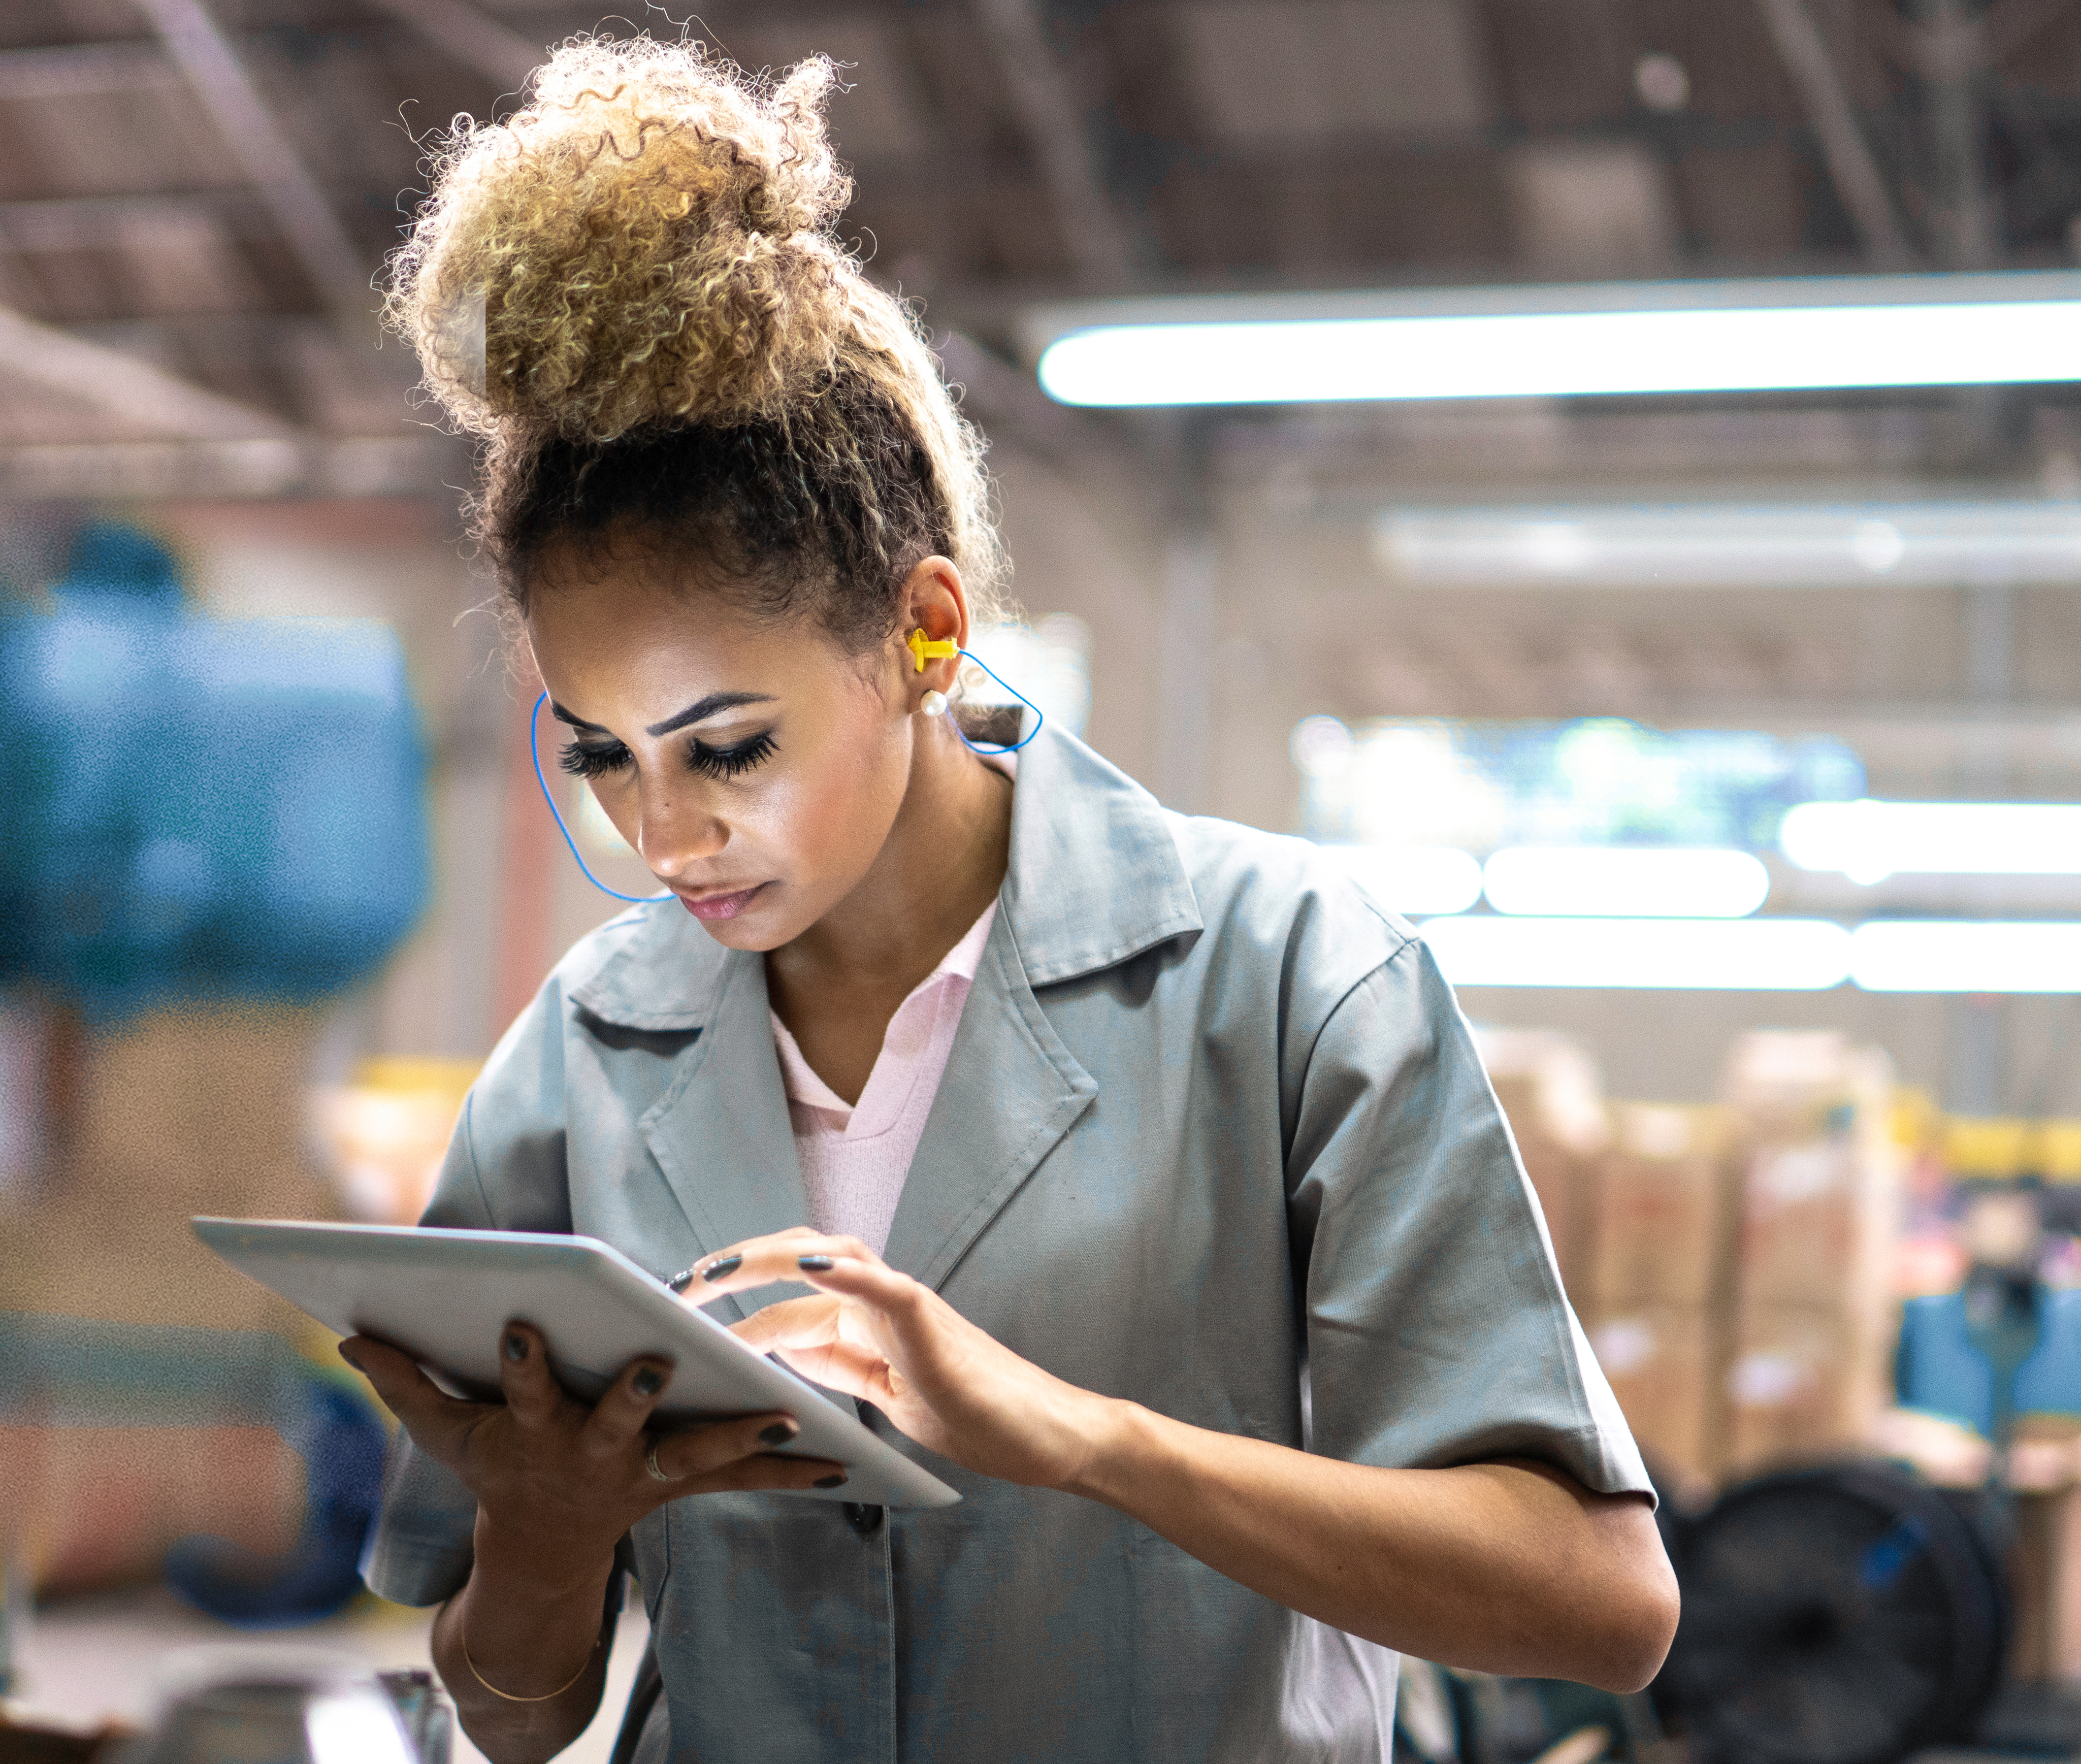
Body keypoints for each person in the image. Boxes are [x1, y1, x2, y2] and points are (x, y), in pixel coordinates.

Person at [335, 39, 1676, 1764]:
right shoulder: (583, 1059)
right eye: (602, 757)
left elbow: (1600, 1601)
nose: (667, 840)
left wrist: (1087, 1441)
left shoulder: (1286, 986)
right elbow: (515, 1720)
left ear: (925, 632)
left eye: (728, 747)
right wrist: (546, 1524)